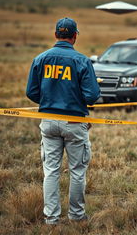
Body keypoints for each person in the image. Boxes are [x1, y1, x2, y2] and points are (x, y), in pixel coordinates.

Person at [26, 17, 100, 225]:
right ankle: (76, 216)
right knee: (77, 171)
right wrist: (74, 101)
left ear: (55, 35)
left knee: (50, 170)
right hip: (75, 122)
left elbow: (31, 91)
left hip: (48, 120)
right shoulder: (82, 61)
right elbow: (92, 95)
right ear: (75, 36)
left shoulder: (40, 59)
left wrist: (50, 101)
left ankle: (51, 218)